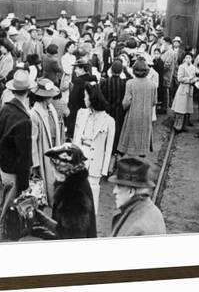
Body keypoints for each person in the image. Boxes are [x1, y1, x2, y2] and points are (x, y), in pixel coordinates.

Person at [0, 70, 35, 242]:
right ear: (28, 92)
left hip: (4, 168)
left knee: (7, 209)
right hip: (14, 173)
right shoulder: (23, 119)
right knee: (9, 216)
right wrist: (25, 184)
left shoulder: (5, 109)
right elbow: (24, 156)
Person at [73, 82, 115, 214]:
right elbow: (76, 138)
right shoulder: (81, 114)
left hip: (95, 162)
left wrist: (104, 169)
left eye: (86, 96)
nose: (84, 99)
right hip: (80, 160)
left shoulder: (109, 121)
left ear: (92, 98)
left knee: (93, 194)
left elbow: (108, 148)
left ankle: (92, 223)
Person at [43, 143, 97, 239]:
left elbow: (70, 233)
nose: (53, 170)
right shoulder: (76, 182)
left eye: (55, 166)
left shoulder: (73, 192)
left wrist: (41, 223)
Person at [109, 157, 166, 236]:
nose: (114, 191)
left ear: (131, 191)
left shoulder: (138, 228)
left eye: (118, 187)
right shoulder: (146, 208)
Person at [29, 79, 64, 207]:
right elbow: (32, 141)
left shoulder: (52, 109)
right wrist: (35, 164)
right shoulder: (33, 114)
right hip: (43, 152)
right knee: (43, 188)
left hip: (54, 152)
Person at [117, 58, 157, 157]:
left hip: (133, 113)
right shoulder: (152, 85)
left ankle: (127, 151)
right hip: (146, 114)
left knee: (130, 133)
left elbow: (126, 102)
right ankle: (142, 151)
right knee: (143, 133)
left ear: (134, 71)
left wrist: (124, 109)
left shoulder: (130, 83)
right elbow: (154, 102)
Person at [100, 60, 127, 155]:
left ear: (111, 70)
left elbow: (102, 96)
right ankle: (116, 149)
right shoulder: (124, 83)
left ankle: (107, 148)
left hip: (107, 110)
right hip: (118, 110)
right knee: (117, 129)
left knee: (107, 129)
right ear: (121, 71)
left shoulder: (105, 82)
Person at [66, 59, 97, 139]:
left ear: (82, 69)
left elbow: (72, 100)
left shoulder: (78, 82)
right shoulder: (93, 79)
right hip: (90, 114)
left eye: (76, 68)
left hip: (78, 115)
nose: (75, 71)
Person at [171, 53, 197, 132]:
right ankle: (178, 125)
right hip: (183, 88)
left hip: (190, 89)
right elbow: (179, 78)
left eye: (190, 57)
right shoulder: (182, 67)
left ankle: (184, 125)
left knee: (187, 109)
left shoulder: (193, 67)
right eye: (187, 57)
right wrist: (190, 79)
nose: (188, 59)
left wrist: (195, 79)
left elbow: (195, 76)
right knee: (180, 108)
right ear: (184, 59)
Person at [160, 36, 175, 112]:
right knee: (164, 89)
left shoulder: (170, 52)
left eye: (163, 42)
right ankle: (164, 106)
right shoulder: (166, 51)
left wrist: (160, 69)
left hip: (166, 74)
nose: (162, 44)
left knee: (165, 90)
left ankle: (165, 107)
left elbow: (167, 64)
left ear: (167, 43)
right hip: (164, 73)